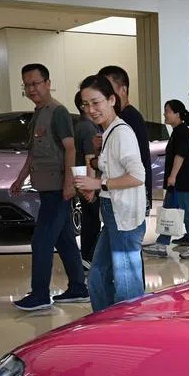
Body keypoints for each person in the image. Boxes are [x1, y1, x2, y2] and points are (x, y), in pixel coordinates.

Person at [9, 63, 88, 310]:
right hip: (46, 188)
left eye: (35, 83)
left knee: (41, 241)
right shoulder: (38, 113)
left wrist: (69, 184)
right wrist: (20, 178)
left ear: (47, 83)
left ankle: (40, 294)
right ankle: (78, 287)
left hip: (57, 189)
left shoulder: (58, 112)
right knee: (64, 239)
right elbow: (34, 153)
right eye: (27, 85)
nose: (31, 89)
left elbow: (70, 149)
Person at [74, 74, 147, 312]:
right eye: (86, 104)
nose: (91, 110)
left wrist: (100, 184)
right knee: (97, 276)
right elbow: (113, 169)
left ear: (112, 100)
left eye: (96, 102)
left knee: (127, 287)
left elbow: (138, 176)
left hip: (125, 218)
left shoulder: (121, 133)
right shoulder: (108, 132)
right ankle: (106, 323)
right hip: (113, 215)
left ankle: (128, 327)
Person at [144, 99, 189, 259]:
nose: (165, 114)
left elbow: (180, 156)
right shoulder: (177, 131)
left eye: (167, 111)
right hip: (176, 182)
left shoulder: (182, 132)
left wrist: (173, 176)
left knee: (188, 212)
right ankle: (162, 244)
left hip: (183, 181)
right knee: (168, 211)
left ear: (177, 114)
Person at [97, 66, 152, 207]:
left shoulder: (127, 119)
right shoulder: (119, 118)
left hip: (126, 198)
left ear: (123, 89)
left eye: (108, 89)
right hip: (119, 196)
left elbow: (135, 171)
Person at [73, 89, 101, 267]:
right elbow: (89, 158)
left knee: (89, 219)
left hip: (82, 179)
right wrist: (91, 186)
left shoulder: (81, 125)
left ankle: (87, 256)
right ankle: (89, 256)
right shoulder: (88, 127)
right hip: (88, 180)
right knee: (92, 220)